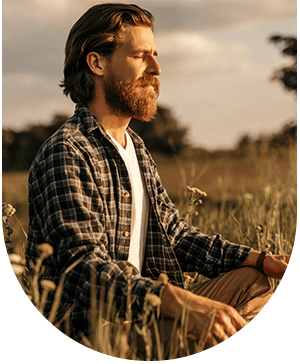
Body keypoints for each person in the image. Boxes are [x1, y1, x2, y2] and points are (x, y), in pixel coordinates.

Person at [26, 3, 290, 356]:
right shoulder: (68, 150)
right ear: (97, 63)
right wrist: (178, 303)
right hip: (98, 332)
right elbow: (82, 267)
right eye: (140, 56)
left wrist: (259, 258)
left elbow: (176, 236)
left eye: (155, 54)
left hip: (145, 317)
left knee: (253, 282)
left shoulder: (134, 146)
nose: (157, 68)